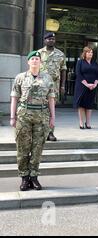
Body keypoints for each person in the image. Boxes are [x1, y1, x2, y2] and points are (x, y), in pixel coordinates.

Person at [10, 51, 56, 191]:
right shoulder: (20, 77)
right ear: (28, 62)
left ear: (40, 63)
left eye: (37, 59)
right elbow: (14, 97)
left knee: (37, 148)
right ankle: (24, 178)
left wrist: (53, 117)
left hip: (42, 116)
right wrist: (12, 117)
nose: (35, 61)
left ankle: (34, 177)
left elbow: (51, 99)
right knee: (23, 148)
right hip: (23, 115)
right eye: (33, 59)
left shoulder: (48, 78)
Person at [38, 32, 66, 141]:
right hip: (40, 86)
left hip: (54, 86)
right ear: (45, 40)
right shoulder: (39, 53)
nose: (51, 40)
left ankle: (50, 133)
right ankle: (41, 133)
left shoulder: (60, 54)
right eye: (49, 39)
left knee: (51, 110)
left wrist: (63, 86)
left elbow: (63, 70)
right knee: (40, 110)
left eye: (53, 39)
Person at [73, 47, 98, 129]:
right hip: (82, 86)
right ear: (84, 53)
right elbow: (78, 74)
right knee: (81, 105)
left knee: (89, 105)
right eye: (88, 52)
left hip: (92, 87)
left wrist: (95, 84)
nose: (90, 54)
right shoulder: (80, 62)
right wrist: (87, 84)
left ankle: (88, 123)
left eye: (91, 52)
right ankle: (81, 122)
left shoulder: (95, 63)